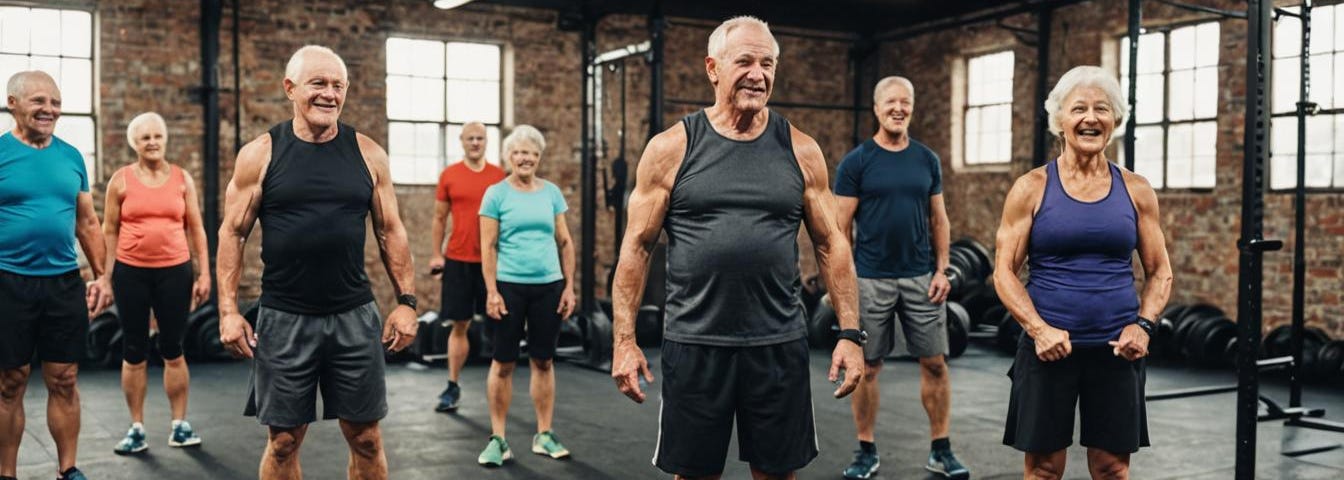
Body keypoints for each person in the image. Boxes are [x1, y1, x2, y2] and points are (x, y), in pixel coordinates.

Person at [610, 16, 866, 480]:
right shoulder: (672, 148)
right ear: (713, 68)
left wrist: (850, 335)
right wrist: (624, 341)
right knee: (694, 474)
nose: (758, 74)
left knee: (777, 473)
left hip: (778, 343)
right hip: (695, 341)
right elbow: (636, 247)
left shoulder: (801, 150)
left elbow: (832, 243)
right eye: (744, 61)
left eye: (768, 63)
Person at [216, 45, 418, 480]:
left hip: (353, 315)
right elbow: (232, 232)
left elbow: (391, 230)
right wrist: (229, 311)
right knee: (284, 442)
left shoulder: (368, 154)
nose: (329, 94)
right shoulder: (261, 153)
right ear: (290, 89)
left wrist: (407, 301)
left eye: (337, 85)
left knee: (366, 437)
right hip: (285, 317)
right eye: (318, 84)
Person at [994, 65, 1172, 480]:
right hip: (1047, 349)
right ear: (1060, 121)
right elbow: (1003, 272)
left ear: (1115, 122)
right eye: (1079, 109)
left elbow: (1160, 269)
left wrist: (1143, 327)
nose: (1090, 118)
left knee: (1112, 469)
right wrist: (1038, 330)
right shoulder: (1031, 187)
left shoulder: (1136, 189)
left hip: (1117, 349)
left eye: (1102, 109)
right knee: (1042, 470)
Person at [833, 76, 967, 480]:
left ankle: (941, 450)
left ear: (912, 107)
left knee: (936, 364)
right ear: (876, 108)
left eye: (905, 102)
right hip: (871, 279)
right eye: (890, 102)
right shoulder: (856, 162)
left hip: (920, 277)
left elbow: (939, 218)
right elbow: (840, 228)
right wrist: (846, 281)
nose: (898, 108)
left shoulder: (926, 159)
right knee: (868, 367)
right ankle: (865, 450)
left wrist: (942, 268)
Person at [0, 70, 113, 480]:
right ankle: (7, 472)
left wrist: (102, 276)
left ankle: (69, 470)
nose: (50, 110)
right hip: (8, 280)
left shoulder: (71, 156)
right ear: (12, 103)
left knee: (64, 378)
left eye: (56, 102)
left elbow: (88, 222)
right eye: (39, 102)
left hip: (64, 281)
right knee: (10, 381)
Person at [102, 112, 210, 454]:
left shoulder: (181, 179)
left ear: (165, 139)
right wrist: (104, 276)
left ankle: (179, 425)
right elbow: (109, 230)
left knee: (173, 348)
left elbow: (196, 228)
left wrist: (204, 272)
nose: (151, 142)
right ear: (134, 142)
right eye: (144, 137)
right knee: (133, 350)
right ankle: (136, 428)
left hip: (175, 272)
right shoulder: (120, 180)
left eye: (157, 136)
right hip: (130, 272)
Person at [475, 124, 576, 467]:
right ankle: (498, 438)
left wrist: (569, 285)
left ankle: (543, 434)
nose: (525, 159)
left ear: (539, 158)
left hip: (548, 287)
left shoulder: (551, 193)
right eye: (519, 153)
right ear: (508, 157)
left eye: (532, 154)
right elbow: (487, 247)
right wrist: (491, 291)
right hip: (508, 286)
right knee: (503, 362)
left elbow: (565, 242)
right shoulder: (496, 194)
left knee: (544, 360)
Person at [430, 121, 505, 413]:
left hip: (493, 262)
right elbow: (439, 219)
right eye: (470, 138)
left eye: (480, 138)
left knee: (500, 325)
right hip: (458, 259)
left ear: (486, 142)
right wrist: (437, 254)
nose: (475, 142)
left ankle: (499, 386)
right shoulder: (450, 175)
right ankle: (452, 385)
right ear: (461, 141)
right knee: (459, 324)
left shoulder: (499, 177)